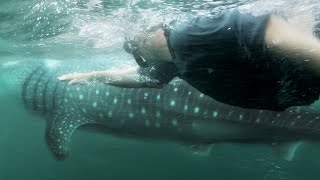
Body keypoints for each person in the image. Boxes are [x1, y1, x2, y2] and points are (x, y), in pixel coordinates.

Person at [58, 10, 320, 111]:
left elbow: (269, 29)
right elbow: (147, 79)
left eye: (132, 47)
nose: (136, 55)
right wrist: (96, 76)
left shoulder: (187, 34)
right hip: (301, 84)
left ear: (151, 30)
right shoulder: (174, 56)